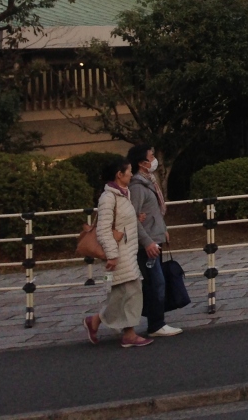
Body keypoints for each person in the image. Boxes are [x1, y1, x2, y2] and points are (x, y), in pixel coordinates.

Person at [83, 157, 152, 348]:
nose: (131, 173)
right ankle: (119, 330)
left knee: (123, 293)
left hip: (126, 251)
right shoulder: (108, 197)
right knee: (130, 291)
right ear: (119, 174)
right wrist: (112, 255)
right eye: (129, 170)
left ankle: (100, 323)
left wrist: (134, 217)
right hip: (119, 253)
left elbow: (120, 220)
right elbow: (104, 230)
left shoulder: (124, 193)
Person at [127, 145, 182, 338]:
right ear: (142, 163)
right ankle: (156, 323)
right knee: (155, 282)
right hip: (148, 243)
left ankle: (155, 322)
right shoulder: (137, 187)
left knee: (156, 282)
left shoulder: (149, 182)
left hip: (155, 239)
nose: (154, 159)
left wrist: (163, 230)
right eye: (151, 157)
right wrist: (148, 241)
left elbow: (154, 211)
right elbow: (132, 217)